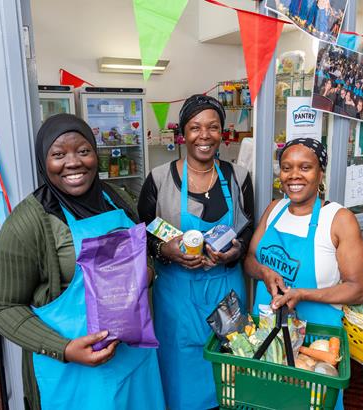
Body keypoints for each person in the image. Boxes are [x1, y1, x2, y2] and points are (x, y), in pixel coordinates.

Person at [0, 114, 164, 410]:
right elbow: (1, 308)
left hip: (133, 359)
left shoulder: (118, 198)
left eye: (83, 151)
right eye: (58, 154)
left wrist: (147, 274)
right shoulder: (28, 222)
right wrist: (65, 349)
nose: (73, 162)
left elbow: (143, 254)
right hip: (73, 372)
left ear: (96, 154)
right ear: (44, 162)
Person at [138, 95, 254, 410]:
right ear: (183, 134)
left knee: (230, 368)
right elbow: (143, 233)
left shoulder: (238, 177)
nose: (204, 136)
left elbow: (247, 228)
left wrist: (235, 252)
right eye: (195, 128)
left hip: (226, 291)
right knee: (181, 380)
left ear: (222, 131)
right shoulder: (159, 180)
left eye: (212, 127)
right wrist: (166, 250)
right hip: (176, 296)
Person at [244, 138, 363, 410]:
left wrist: (302, 294)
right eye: (286, 168)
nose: (294, 175)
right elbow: (250, 260)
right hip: (267, 335)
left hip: (317, 343)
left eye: (305, 167)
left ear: (320, 173)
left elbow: (357, 290)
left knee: (310, 402)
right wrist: (265, 271)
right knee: (264, 400)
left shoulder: (338, 219)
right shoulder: (274, 209)